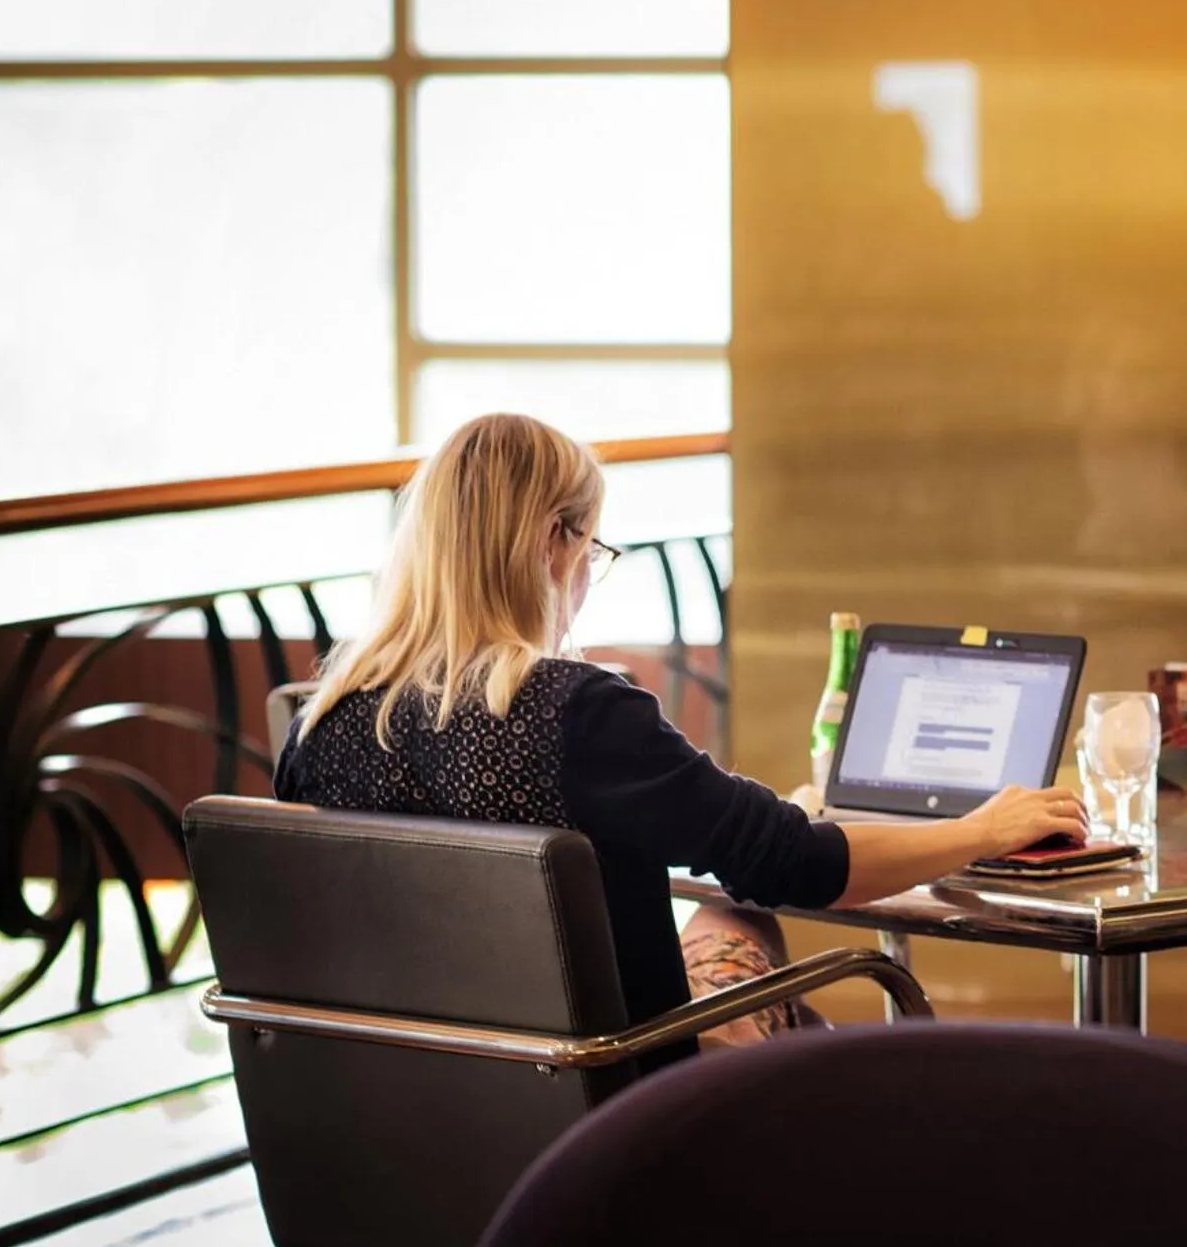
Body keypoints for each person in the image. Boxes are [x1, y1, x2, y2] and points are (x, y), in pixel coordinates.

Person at [276, 413, 1087, 1048]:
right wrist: (980, 829)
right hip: (611, 1092)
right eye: (591, 543)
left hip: (416, 1102)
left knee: (735, 921)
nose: (590, 569)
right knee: (759, 924)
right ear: (553, 544)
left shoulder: (326, 721)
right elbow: (794, 862)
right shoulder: (575, 713)